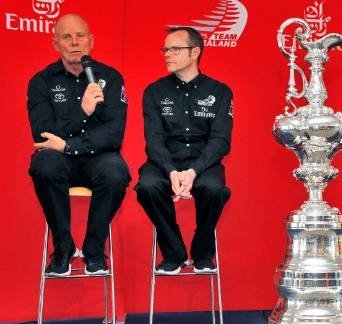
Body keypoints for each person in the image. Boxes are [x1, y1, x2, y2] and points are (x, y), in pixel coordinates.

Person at [27, 14, 131, 276]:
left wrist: (69, 145)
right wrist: (82, 111)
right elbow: (43, 135)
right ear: (55, 44)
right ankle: (63, 248)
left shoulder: (110, 77)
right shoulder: (41, 82)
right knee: (45, 162)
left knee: (116, 171)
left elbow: (113, 134)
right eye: (66, 37)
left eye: (80, 36)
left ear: (91, 41)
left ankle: (94, 249)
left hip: (98, 159)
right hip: (58, 161)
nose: (75, 43)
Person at [135, 27, 232, 275]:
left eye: (175, 49)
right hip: (164, 161)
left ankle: (202, 251)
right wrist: (171, 171)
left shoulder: (219, 91)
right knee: (147, 186)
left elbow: (221, 140)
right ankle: (173, 251)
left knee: (214, 189)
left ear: (195, 52)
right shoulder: (154, 91)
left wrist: (193, 171)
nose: (167, 54)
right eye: (165, 49)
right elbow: (153, 140)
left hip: (203, 162)